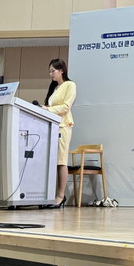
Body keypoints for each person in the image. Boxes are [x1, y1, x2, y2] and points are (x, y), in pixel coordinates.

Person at [42, 58, 76, 208]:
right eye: (49, 71)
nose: (51, 74)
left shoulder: (70, 85)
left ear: (62, 70)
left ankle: (60, 195)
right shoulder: (54, 88)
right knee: (52, 162)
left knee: (61, 161)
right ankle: (50, 194)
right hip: (52, 126)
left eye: (53, 71)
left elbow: (66, 107)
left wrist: (48, 109)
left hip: (63, 126)